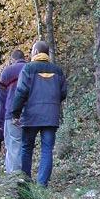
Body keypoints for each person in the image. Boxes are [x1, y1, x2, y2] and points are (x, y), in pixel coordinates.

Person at [11, 40, 67, 187]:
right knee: (47, 149)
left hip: (31, 115)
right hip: (51, 115)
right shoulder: (58, 70)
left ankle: (26, 181)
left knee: (26, 147)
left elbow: (21, 92)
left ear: (35, 52)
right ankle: (42, 184)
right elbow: (63, 93)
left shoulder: (28, 69)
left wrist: (15, 114)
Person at [0, 49, 26, 172]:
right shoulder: (31, 69)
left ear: (12, 59)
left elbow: (0, 98)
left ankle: (14, 177)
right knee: (26, 146)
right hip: (29, 114)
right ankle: (24, 175)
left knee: (13, 146)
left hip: (10, 113)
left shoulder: (7, 72)